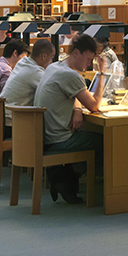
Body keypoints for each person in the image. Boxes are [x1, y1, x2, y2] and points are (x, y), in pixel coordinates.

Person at [33, 34, 106, 204]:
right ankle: (69, 177)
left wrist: (77, 109)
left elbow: (70, 94)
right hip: (58, 139)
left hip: (44, 135)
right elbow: (95, 106)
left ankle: (63, 177)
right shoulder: (71, 75)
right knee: (106, 141)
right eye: (88, 59)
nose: (89, 64)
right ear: (76, 53)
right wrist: (102, 74)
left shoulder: (54, 67)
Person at [0, 39, 56, 129]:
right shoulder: (35, 72)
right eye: (52, 57)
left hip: (3, 116)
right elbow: (55, 91)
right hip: (13, 122)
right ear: (44, 56)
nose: (51, 62)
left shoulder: (23, 62)